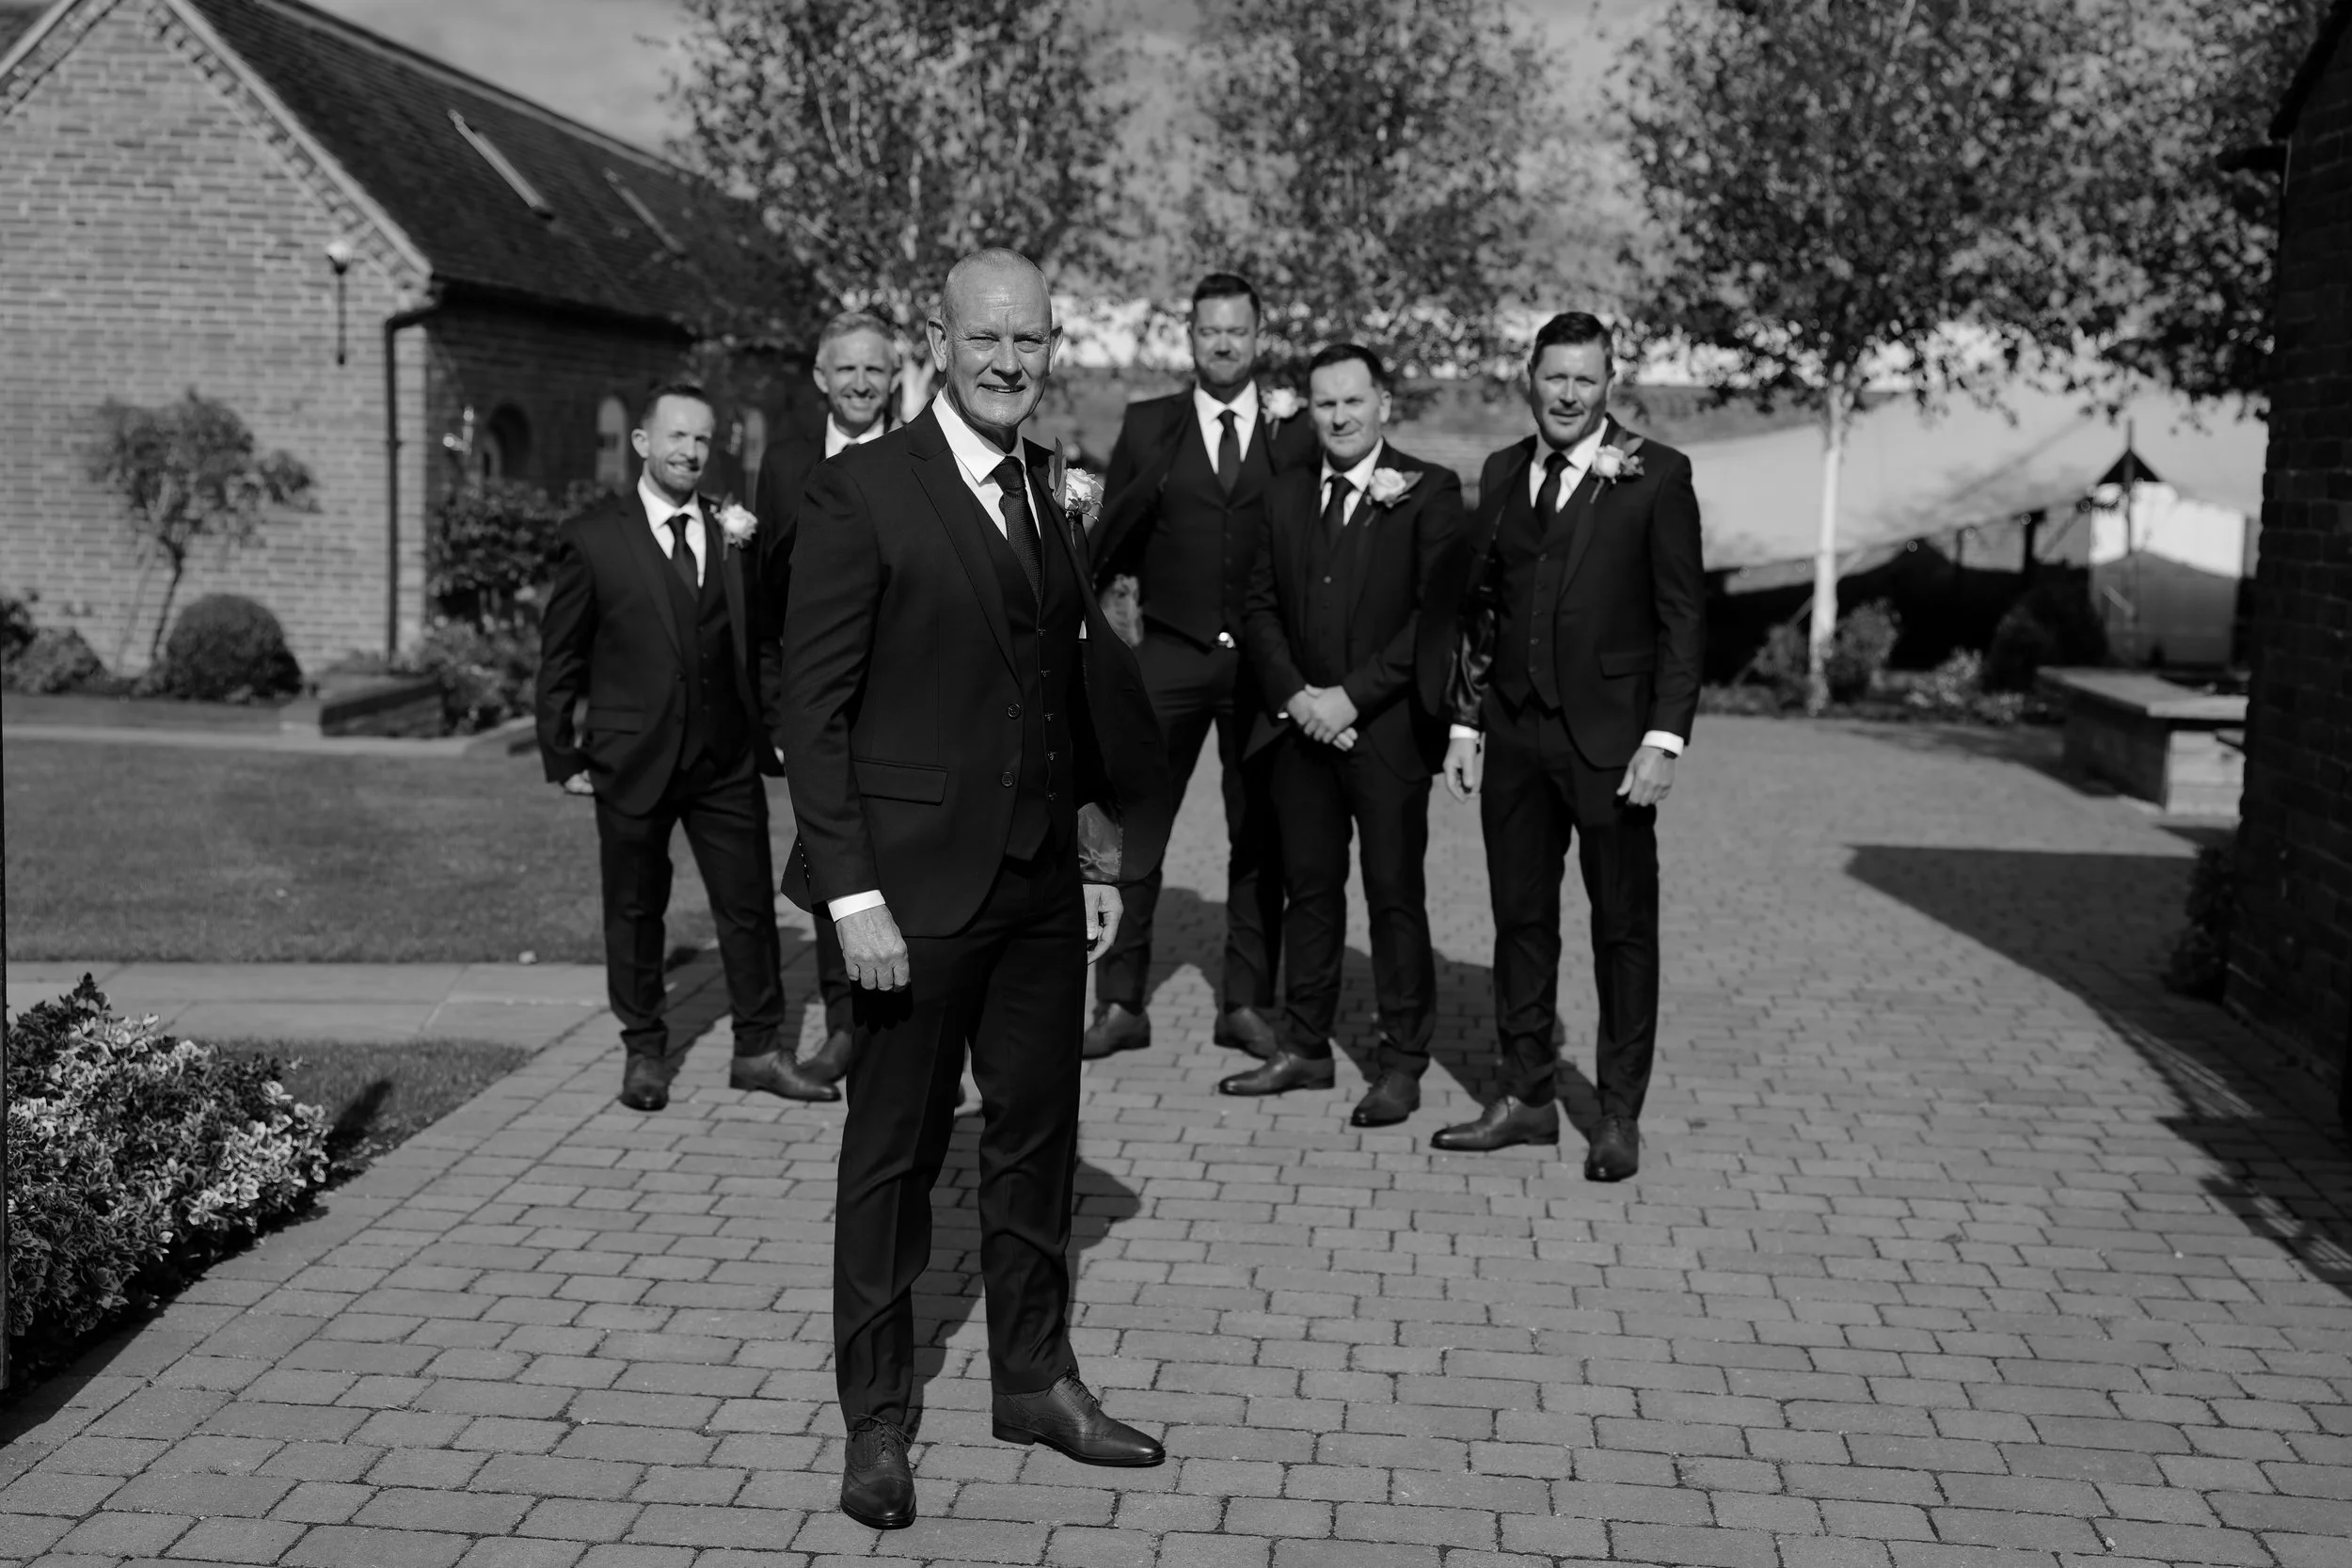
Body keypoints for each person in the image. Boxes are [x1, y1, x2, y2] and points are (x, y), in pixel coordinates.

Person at [780, 248, 1175, 1530]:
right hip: (905, 898)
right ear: (938, 342)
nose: (1012, 358)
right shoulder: (859, 491)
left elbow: (1066, 688)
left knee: (1036, 1139)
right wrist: (849, 900)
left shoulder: (1049, 485)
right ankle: (878, 1420)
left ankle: (1035, 1379)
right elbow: (815, 710)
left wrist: (1098, 856)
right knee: (889, 1162)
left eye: (1034, 338)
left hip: (1036, 893)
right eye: (988, 336)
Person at [1438, 312, 1704, 1176]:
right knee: (1520, 921)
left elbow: (1682, 620)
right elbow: (1484, 610)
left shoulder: (1658, 475)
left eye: (1585, 379)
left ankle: (1619, 1114)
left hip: (1614, 744)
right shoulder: (1504, 471)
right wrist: (1467, 720)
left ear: (1609, 383)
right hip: (1514, 734)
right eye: (1555, 377)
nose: (1568, 393)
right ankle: (1527, 1095)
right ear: (1531, 376)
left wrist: (1664, 738)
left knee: (1623, 930)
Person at [535, 380, 839, 1114]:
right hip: (629, 757)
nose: (690, 451)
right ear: (643, 443)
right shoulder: (593, 536)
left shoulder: (735, 529)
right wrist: (563, 754)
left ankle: (760, 1049)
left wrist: (774, 728)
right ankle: (644, 1048)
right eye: (676, 436)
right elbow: (562, 657)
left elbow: (760, 643)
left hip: (724, 757)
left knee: (748, 910)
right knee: (636, 908)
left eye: (703, 439)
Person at [1223, 344, 1463, 1129]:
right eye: (1325, 404)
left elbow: (1435, 617)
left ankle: (1401, 1061)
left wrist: (1350, 698)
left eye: (1354, 401)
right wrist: (1295, 696)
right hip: (1299, 734)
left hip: (1386, 735)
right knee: (1311, 895)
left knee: (1395, 898)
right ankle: (1307, 1045)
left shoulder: (1429, 491)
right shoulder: (1283, 495)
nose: (1340, 416)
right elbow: (1256, 606)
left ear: (1383, 403)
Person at [1083, 272, 1317, 1061]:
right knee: (1130, 828)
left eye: (1237, 331)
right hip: (1168, 656)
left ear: (1259, 338)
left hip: (1260, 668)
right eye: (1209, 330)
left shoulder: (1298, 431)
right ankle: (1118, 1000)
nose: (1223, 343)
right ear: (1190, 336)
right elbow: (1109, 537)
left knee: (1259, 837)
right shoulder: (1152, 424)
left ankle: (1245, 1004)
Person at [750, 309, 901, 1085]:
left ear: (896, 375)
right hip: (818, 706)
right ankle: (845, 1026)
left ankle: (910, 1032)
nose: (861, 383)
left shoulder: (918, 459)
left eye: (874, 368)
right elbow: (765, 600)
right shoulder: (782, 467)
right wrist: (779, 713)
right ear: (820, 378)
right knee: (829, 856)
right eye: (846, 369)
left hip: (902, 706)